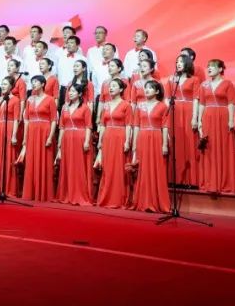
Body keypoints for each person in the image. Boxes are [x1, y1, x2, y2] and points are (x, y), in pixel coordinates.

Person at [196, 59, 235, 194]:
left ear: (221, 69)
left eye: (212, 66)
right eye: (208, 66)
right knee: (209, 147)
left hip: (222, 117)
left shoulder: (228, 84)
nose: (209, 69)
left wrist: (231, 119)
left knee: (222, 146)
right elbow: (202, 104)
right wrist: (199, 120)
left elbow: (231, 103)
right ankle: (210, 181)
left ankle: (224, 181)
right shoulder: (204, 85)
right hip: (208, 117)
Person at [131, 80, 171, 213]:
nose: (146, 90)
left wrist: (164, 144)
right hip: (142, 137)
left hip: (156, 138)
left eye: (150, 88)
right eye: (145, 88)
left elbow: (165, 127)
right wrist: (134, 144)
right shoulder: (140, 106)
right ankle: (143, 201)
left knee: (156, 169)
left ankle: (156, 201)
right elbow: (136, 126)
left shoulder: (163, 106)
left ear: (157, 91)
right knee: (143, 169)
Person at [95, 78, 133, 209]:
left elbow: (129, 125)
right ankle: (106, 197)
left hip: (120, 136)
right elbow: (102, 124)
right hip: (107, 137)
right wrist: (100, 140)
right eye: (110, 86)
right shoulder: (106, 105)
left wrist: (127, 141)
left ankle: (119, 199)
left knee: (119, 168)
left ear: (121, 89)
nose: (110, 88)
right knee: (107, 167)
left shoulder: (126, 105)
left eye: (114, 86)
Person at [19, 75, 58, 202]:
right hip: (32, 131)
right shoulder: (30, 99)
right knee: (31, 160)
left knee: (44, 160)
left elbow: (54, 120)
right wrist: (25, 137)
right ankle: (30, 192)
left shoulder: (50, 99)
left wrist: (50, 137)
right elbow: (26, 119)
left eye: (36, 82)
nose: (33, 84)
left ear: (43, 84)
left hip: (44, 130)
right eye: (32, 82)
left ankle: (43, 193)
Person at [165, 54, 201, 187]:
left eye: (181, 61)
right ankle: (175, 179)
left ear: (187, 63)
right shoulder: (171, 79)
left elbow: (196, 99)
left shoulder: (194, 80)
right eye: (177, 62)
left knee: (189, 143)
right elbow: (167, 98)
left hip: (189, 111)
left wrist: (195, 117)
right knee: (176, 143)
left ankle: (191, 180)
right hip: (175, 112)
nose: (178, 64)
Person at [56, 83, 94, 206]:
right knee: (67, 166)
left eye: (73, 91)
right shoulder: (65, 107)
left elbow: (88, 126)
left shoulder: (85, 108)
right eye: (69, 91)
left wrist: (87, 141)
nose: (70, 93)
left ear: (80, 94)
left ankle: (79, 194)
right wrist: (59, 144)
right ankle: (67, 193)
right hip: (67, 138)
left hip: (80, 138)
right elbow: (61, 127)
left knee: (79, 167)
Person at [0, 78, 22, 198]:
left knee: (8, 157)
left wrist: (14, 135)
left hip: (9, 128)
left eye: (5, 84)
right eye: (2, 84)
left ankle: (9, 189)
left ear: (11, 86)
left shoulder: (15, 100)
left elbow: (16, 119)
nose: (2, 86)